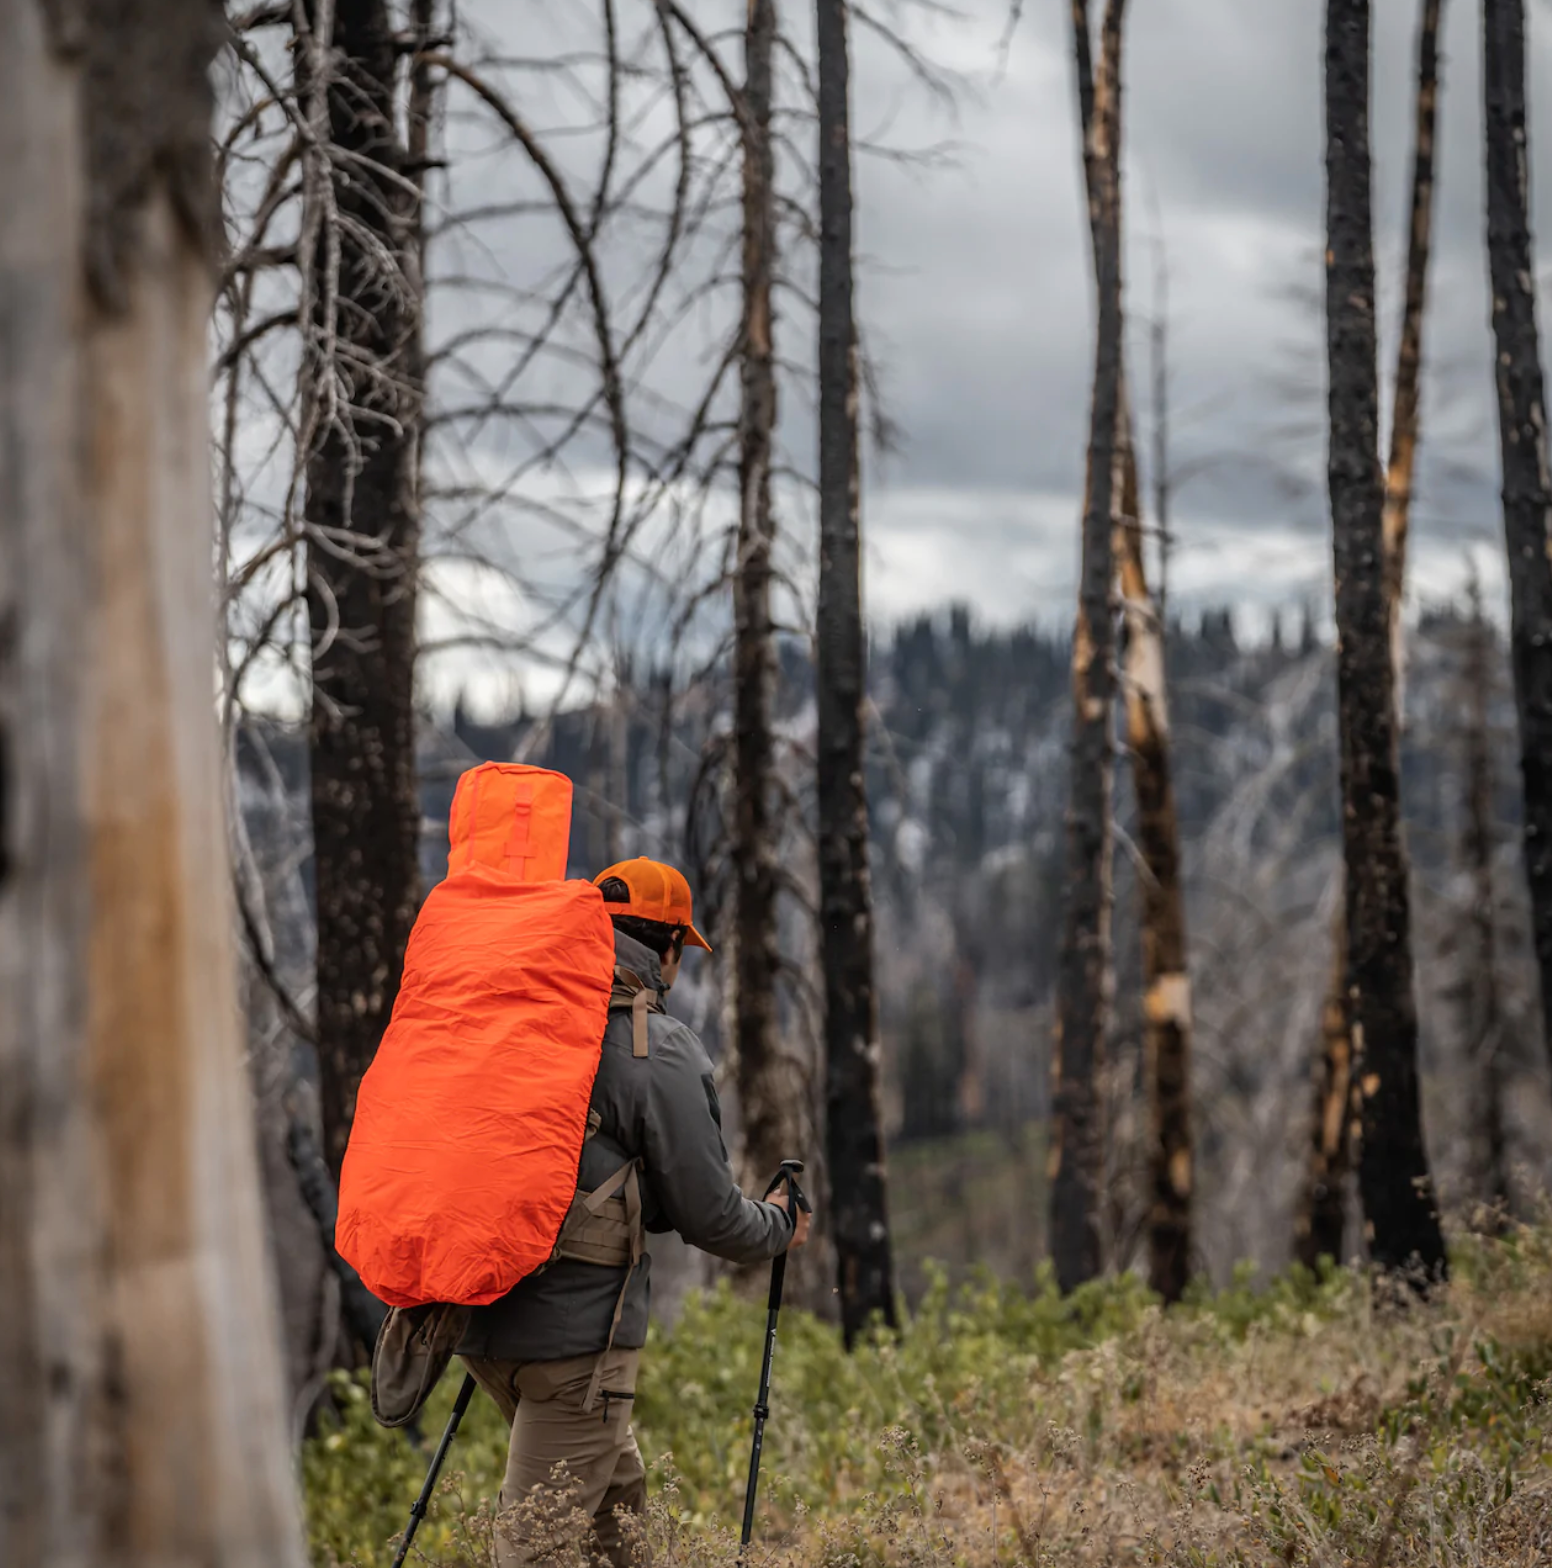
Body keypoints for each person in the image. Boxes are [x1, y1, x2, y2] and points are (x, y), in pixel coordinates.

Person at [457, 856, 811, 1568]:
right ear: (669, 949)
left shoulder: (523, 1015)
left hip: (479, 1322)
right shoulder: (657, 1049)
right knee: (533, 1551)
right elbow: (710, 1215)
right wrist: (777, 1226)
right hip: (578, 1345)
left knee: (620, 1524)